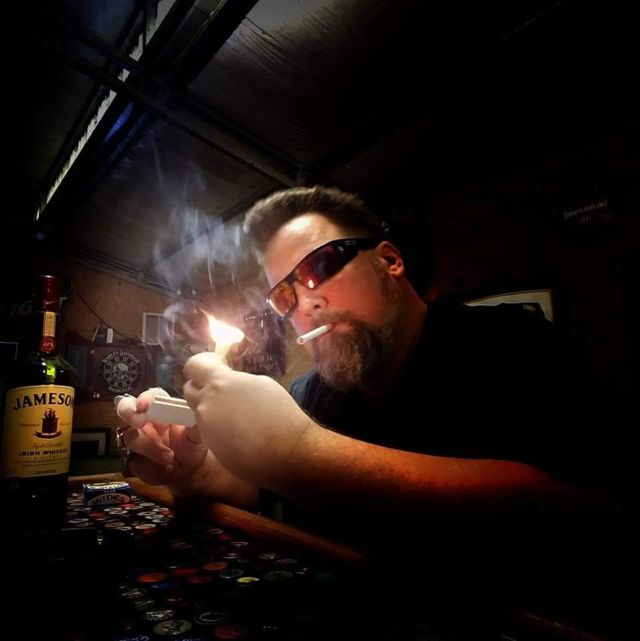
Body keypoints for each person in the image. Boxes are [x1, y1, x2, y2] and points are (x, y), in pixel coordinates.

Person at [117, 186, 618, 529]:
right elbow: (263, 492)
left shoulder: (511, 344)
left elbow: (580, 507)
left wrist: (300, 453)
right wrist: (197, 470)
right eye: (284, 296)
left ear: (389, 260)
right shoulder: (311, 393)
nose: (305, 302)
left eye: (318, 268)